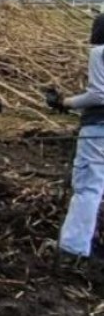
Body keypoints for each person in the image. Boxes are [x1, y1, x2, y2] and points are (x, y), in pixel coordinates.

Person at [52, 14, 104, 262]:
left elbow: (99, 95)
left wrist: (67, 102)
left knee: (88, 187)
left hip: (98, 129)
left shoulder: (99, 53)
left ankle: (73, 249)